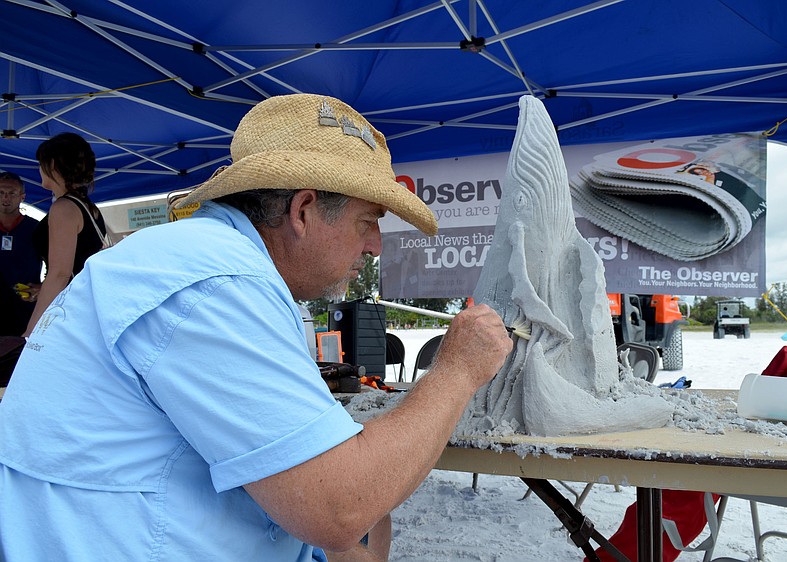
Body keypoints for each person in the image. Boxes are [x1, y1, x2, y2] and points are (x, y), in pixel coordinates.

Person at [0, 94, 514, 561]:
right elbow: (336, 509)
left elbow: (324, 505)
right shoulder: (214, 282)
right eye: (368, 220)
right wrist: (456, 372)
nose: (376, 245)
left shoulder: (214, 266)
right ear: (304, 210)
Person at [23, 132, 107, 337]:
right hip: (83, 307)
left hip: (69, 312)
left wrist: (32, 330)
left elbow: (61, 274)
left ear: (52, 165)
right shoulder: (87, 207)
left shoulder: (64, 208)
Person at [0, 172, 43, 336]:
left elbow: (58, 267)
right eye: (1, 193)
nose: (6, 198)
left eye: (12, 193)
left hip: (26, 310)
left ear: (22, 197)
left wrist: (43, 288)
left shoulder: (37, 228)